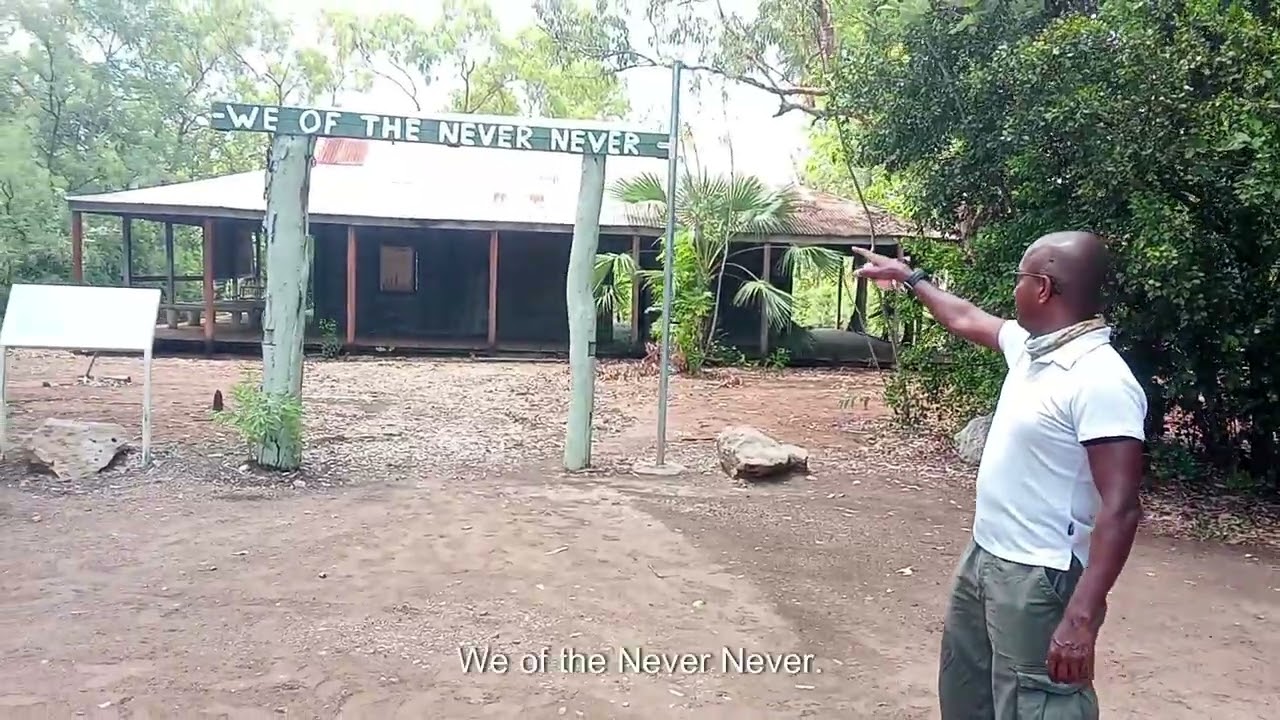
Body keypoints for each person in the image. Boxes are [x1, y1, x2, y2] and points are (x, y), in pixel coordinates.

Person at [852, 232, 1147, 720]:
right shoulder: (1033, 349)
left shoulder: (1100, 379)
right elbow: (963, 317)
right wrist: (910, 278)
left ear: (1044, 288)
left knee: (1039, 704)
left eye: (1020, 279)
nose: (1014, 289)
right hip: (985, 554)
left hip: (1039, 576)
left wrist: (1081, 617)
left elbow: (1122, 507)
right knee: (968, 692)